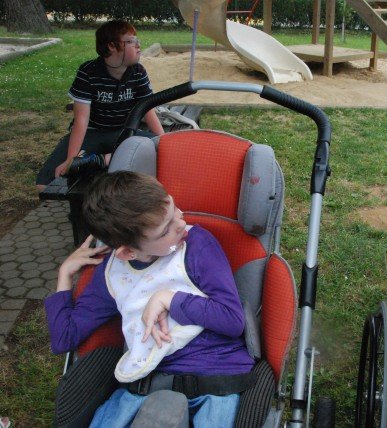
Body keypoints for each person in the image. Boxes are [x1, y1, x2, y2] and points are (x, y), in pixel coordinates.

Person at [44, 171, 255, 427]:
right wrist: (65, 274)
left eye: (174, 209)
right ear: (128, 253)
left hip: (215, 374)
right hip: (147, 381)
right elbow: (65, 337)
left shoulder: (197, 244)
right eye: (165, 230)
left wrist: (169, 299)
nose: (180, 223)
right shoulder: (113, 275)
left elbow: (232, 320)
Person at [36, 20, 164, 191]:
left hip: (123, 132)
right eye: (131, 41)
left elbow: (147, 109)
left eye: (137, 40)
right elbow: (81, 119)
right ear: (111, 46)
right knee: (44, 185)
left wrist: (163, 140)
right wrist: (72, 159)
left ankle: (102, 160)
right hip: (92, 132)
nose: (138, 45)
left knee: (158, 148)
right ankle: (107, 158)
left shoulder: (138, 72)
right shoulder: (88, 72)